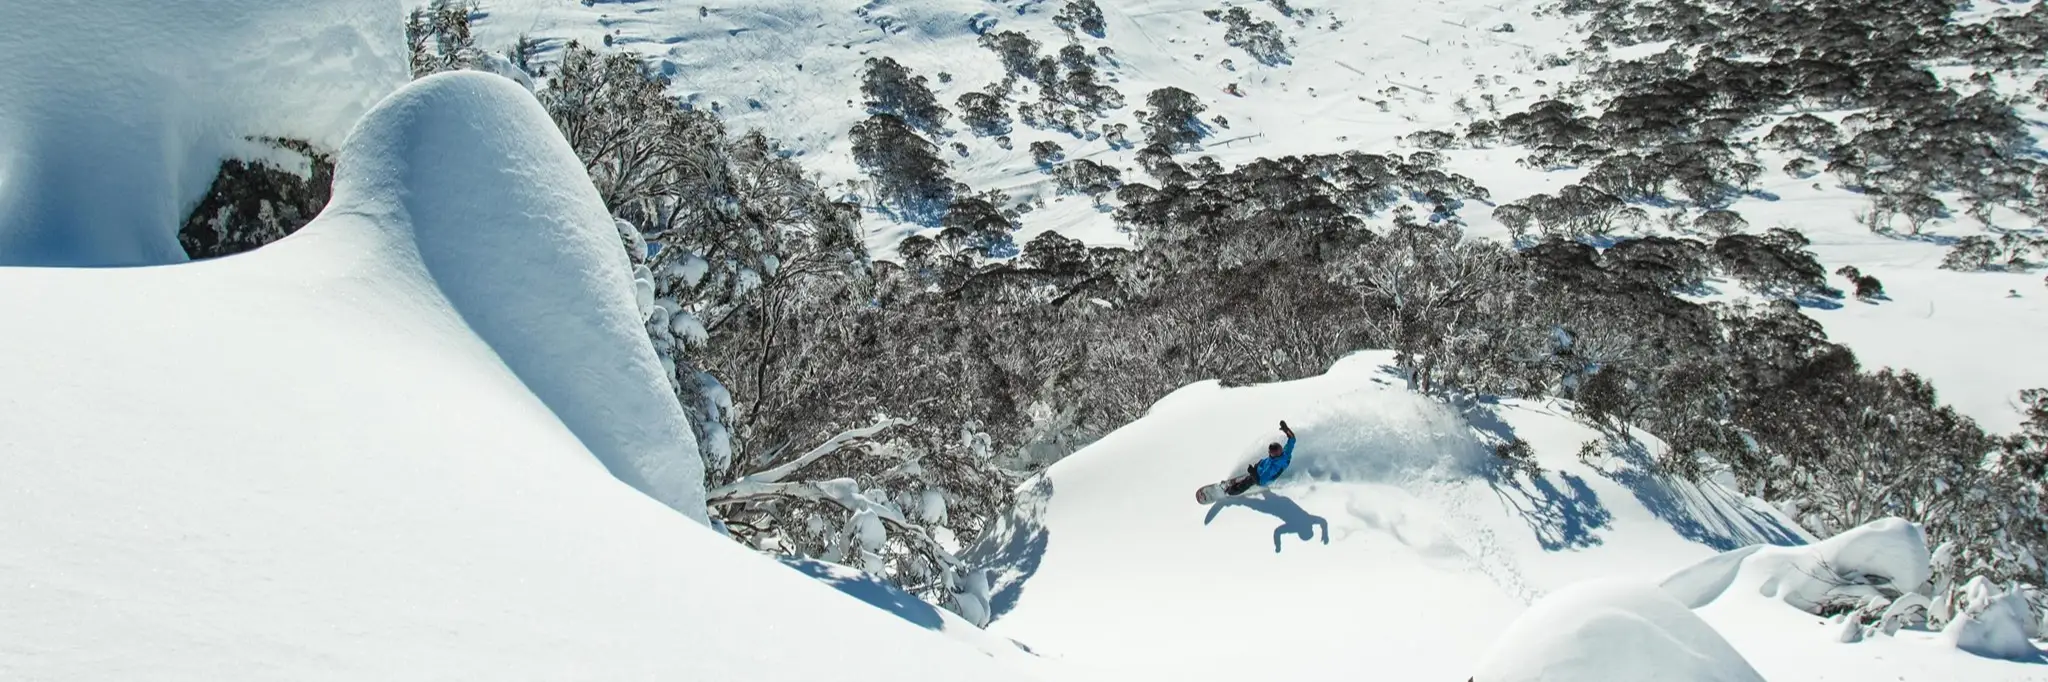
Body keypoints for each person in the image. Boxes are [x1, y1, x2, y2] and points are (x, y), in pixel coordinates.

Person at [1223, 420, 1295, 495]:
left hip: (1263, 479)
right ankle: (1250, 476)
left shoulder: (1271, 468)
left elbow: (1261, 481)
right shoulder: (1285, 453)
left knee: (1249, 481)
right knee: (1258, 467)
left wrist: (1253, 473)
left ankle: (1230, 491)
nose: (1270, 453)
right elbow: (1292, 439)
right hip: (1264, 468)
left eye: (1272, 452)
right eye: (1270, 451)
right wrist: (1286, 430)